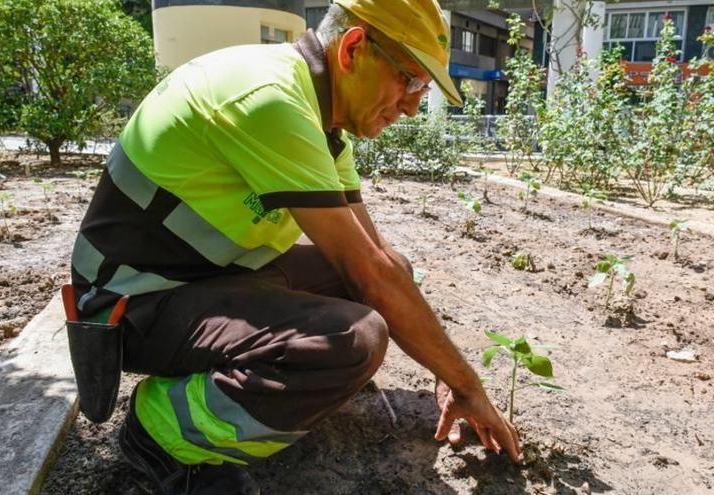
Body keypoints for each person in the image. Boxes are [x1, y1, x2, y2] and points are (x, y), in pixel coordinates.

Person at [70, 1, 521, 493]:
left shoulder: (321, 124)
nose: (413, 105)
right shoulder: (269, 100)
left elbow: (381, 264)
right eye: (410, 80)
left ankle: (282, 388)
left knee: (388, 276)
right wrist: (467, 384)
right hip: (130, 307)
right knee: (354, 338)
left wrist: (447, 370)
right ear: (352, 49)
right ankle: (162, 432)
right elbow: (371, 277)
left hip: (204, 277)